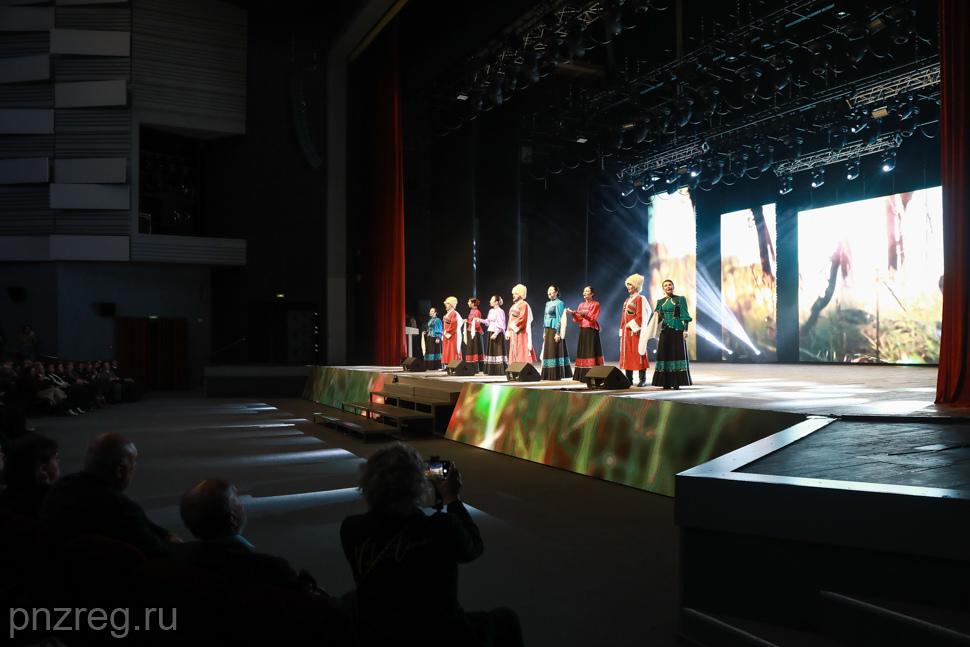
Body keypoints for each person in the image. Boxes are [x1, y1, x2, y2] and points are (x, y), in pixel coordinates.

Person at [340, 443, 522, 647]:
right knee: (506, 619)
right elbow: (474, 548)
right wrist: (452, 499)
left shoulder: (351, 529)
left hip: (379, 634)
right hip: (441, 634)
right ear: (417, 487)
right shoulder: (442, 527)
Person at [40, 432, 180, 556]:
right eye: (133, 464)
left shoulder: (61, 486)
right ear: (120, 470)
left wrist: (164, 534)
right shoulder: (122, 509)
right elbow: (158, 551)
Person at [174, 478, 320, 593]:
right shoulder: (271, 569)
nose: (242, 505)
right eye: (237, 500)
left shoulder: (178, 556)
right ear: (232, 518)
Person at [0, 433, 59, 518]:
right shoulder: (54, 503)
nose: (58, 462)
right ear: (42, 468)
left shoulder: (5, 499)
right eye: (56, 458)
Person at [652, 279, 693, 389]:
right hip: (665, 330)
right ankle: (665, 382)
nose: (668, 287)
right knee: (664, 353)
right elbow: (656, 318)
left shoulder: (680, 299)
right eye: (665, 285)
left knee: (676, 353)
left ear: (673, 286)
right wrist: (650, 329)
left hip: (677, 329)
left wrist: (685, 330)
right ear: (663, 288)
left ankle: (676, 382)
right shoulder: (660, 301)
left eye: (670, 285)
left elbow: (685, 315)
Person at [619, 273, 652, 387]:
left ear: (636, 286)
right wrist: (622, 329)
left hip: (636, 331)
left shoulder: (640, 298)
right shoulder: (627, 300)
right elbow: (623, 317)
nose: (628, 287)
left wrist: (633, 326)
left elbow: (641, 315)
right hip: (626, 332)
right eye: (627, 285)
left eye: (630, 285)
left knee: (639, 353)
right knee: (627, 354)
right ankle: (629, 379)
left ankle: (642, 379)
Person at [566, 286, 605, 382]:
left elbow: (593, 319)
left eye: (587, 291)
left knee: (591, 352)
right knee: (583, 352)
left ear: (592, 294)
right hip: (583, 329)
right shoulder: (581, 304)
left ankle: (594, 375)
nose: (584, 293)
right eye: (584, 291)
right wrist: (573, 313)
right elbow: (578, 319)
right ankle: (582, 375)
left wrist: (584, 315)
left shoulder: (596, 304)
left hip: (591, 330)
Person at [540, 285, 571, 380]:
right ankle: (547, 373)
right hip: (548, 329)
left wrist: (558, 333)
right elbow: (545, 317)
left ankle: (556, 373)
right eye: (548, 291)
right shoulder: (547, 303)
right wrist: (544, 331)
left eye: (551, 290)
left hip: (554, 329)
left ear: (556, 292)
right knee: (548, 350)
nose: (549, 292)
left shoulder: (559, 303)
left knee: (554, 350)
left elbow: (560, 319)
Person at [506, 284, 536, 364]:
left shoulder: (524, 304)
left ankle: (521, 366)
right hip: (513, 332)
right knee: (514, 349)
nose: (513, 295)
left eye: (515, 294)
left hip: (520, 332)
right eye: (513, 294)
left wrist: (513, 326)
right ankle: (514, 365)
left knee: (521, 349)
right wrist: (508, 330)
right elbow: (510, 319)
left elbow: (523, 318)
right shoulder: (513, 305)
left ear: (520, 294)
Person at [482, 296, 508, 376]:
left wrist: (496, 333)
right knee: (491, 351)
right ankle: (492, 370)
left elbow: (501, 324)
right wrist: (480, 320)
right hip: (491, 331)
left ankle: (499, 370)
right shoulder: (491, 310)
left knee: (497, 350)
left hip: (497, 333)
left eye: (492, 299)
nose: (490, 301)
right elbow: (488, 321)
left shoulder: (500, 311)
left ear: (496, 302)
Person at [463, 298, 485, 374]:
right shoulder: (471, 311)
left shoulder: (477, 312)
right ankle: (470, 367)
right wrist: (467, 321)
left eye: (469, 301)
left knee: (475, 349)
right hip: (470, 332)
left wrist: (469, 322)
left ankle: (477, 368)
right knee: (471, 349)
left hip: (475, 333)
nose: (468, 303)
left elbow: (477, 324)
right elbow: (471, 321)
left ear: (473, 303)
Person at [441, 297, 464, 369]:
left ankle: (454, 366)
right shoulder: (448, 313)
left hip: (452, 335)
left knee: (452, 350)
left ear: (451, 305)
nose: (446, 305)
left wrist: (447, 332)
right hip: (447, 335)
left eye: (447, 304)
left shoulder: (454, 313)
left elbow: (454, 324)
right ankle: (449, 366)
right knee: (447, 350)